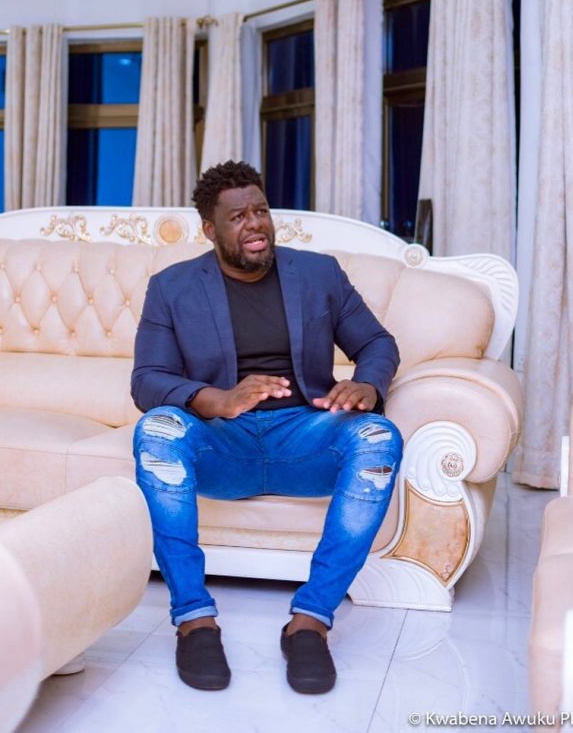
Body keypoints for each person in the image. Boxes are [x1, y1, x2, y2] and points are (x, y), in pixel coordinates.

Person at [131, 160, 403, 694]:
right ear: (210, 230)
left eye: (260, 211)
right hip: (222, 445)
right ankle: (194, 619)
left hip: (307, 437)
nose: (254, 223)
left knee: (378, 436)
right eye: (237, 217)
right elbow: (147, 380)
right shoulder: (172, 287)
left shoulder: (319, 274)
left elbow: (377, 343)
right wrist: (218, 400)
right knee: (156, 431)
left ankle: (311, 621)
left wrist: (368, 387)